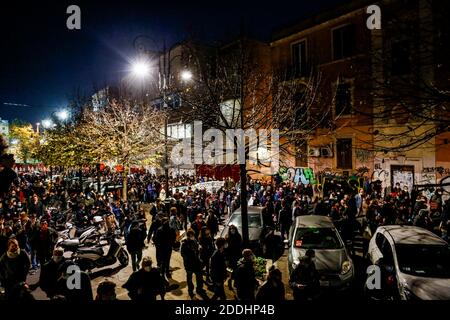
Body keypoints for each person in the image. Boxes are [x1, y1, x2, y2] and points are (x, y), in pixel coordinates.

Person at [180, 229, 206, 299]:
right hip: (189, 265)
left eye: (193, 235)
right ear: (188, 236)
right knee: (189, 279)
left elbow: (197, 247)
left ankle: (199, 289)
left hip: (196, 263)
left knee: (199, 277)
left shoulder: (194, 241)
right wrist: (190, 257)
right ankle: (190, 291)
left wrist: (199, 248)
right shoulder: (184, 243)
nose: (192, 237)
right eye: (191, 236)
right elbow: (183, 254)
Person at [224, 224, 242, 290]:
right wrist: (226, 258)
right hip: (230, 257)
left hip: (237, 256)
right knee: (230, 271)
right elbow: (225, 249)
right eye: (231, 229)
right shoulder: (227, 237)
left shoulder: (238, 236)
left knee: (237, 271)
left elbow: (240, 246)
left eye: (233, 229)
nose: (232, 230)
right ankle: (229, 283)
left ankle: (236, 284)